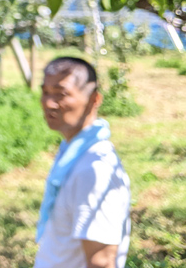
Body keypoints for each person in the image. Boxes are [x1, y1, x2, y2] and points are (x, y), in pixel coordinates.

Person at [34, 57, 131, 268]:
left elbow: (102, 262)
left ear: (94, 100)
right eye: (45, 92)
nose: (49, 103)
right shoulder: (73, 152)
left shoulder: (95, 171)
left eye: (61, 94)